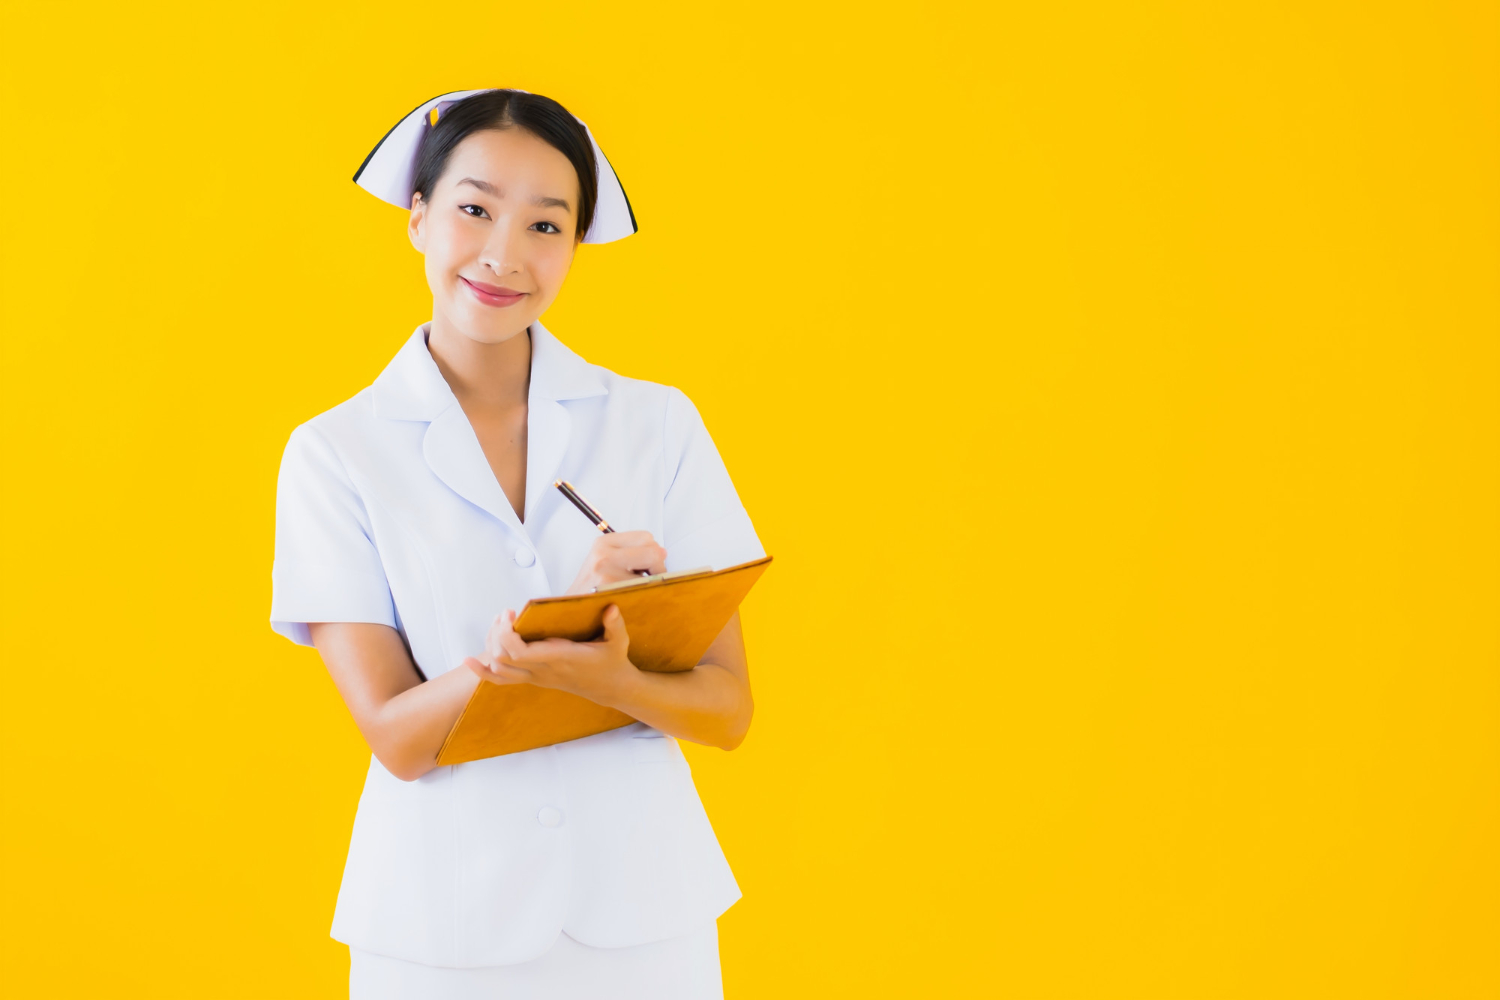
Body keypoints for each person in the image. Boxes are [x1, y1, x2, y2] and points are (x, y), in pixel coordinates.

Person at [269, 89, 764, 1000]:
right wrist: (548, 641)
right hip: (439, 921)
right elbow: (399, 736)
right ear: (417, 216)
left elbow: (727, 710)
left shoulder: (657, 424)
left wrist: (612, 677)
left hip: (645, 918)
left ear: (576, 245)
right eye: (473, 208)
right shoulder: (336, 452)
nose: (504, 253)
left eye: (546, 223)